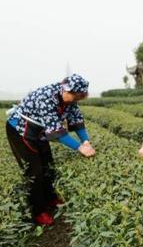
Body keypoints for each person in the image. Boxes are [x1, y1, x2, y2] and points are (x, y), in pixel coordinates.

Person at [5, 74, 95, 226]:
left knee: (48, 165)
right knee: (35, 172)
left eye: (71, 93)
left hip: (39, 131)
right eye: (66, 90)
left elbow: (77, 121)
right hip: (20, 131)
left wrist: (86, 141)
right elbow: (56, 131)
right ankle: (39, 212)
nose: (65, 93)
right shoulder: (46, 96)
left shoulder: (72, 101)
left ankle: (50, 198)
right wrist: (79, 148)